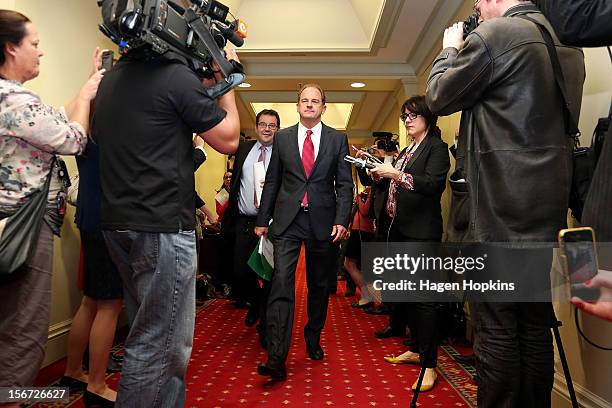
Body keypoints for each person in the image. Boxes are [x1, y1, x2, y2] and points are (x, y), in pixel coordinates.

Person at [426, 1, 585, 406]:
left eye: (479, 0)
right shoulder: (568, 44)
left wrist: (450, 49)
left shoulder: (499, 36)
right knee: (533, 324)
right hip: (544, 208)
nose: (477, 8)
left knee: (495, 326)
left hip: (499, 207)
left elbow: (438, 97)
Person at [92, 45, 240, 406]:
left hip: (119, 224)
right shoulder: (175, 78)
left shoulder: (111, 80)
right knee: (159, 346)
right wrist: (228, 79)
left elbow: (95, 135)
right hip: (160, 228)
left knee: (148, 335)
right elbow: (230, 139)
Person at [0, 10, 103, 400]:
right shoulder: (15, 99)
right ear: (11, 48)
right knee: (23, 332)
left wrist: (88, 85)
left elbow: (56, 118)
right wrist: (89, 93)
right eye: (35, 44)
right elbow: (74, 137)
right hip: (22, 231)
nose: (40, 53)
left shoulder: (13, 100)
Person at [255, 84, 353, 380]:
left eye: (315, 101)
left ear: (324, 107)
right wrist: (262, 219)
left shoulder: (338, 139)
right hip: (287, 221)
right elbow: (272, 181)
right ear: (297, 106)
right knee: (281, 283)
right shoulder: (282, 138)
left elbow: (345, 184)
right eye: (304, 101)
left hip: (323, 223)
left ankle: (313, 337)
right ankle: (276, 356)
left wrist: (342, 219)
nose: (309, 105)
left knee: (319, 285)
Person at [369, 95, 450, 392]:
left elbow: (432, 184)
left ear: (428, 117)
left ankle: (430, 365)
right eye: (405, 116)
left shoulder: (437, 148)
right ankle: (416, 348)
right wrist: (378, 170)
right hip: (400, 231)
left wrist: (395, 173)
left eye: (414, 114)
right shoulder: (408, 149)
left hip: (421, 234)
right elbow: (393, 184)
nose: (408, 120)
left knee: (424, 301)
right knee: (408, 295)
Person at [60, 141, 123, 407]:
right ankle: (97, 385)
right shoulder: (111, 125)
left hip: (88, 214)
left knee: (91, 300)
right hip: (108, 219)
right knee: (109, 304)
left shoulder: (86, 121)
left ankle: (73, 371)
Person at [223, 109, 280, 347]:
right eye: (263, 124)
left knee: (268, 277)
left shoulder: (282, 153)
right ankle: (255, 303)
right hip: (244, 221)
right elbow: (236, 182)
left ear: (277, 129)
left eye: (272, 125)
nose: (267, 129)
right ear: (256, 127)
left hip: (271, 224)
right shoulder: (244, 149)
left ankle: (266, 328)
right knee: (240, 272)